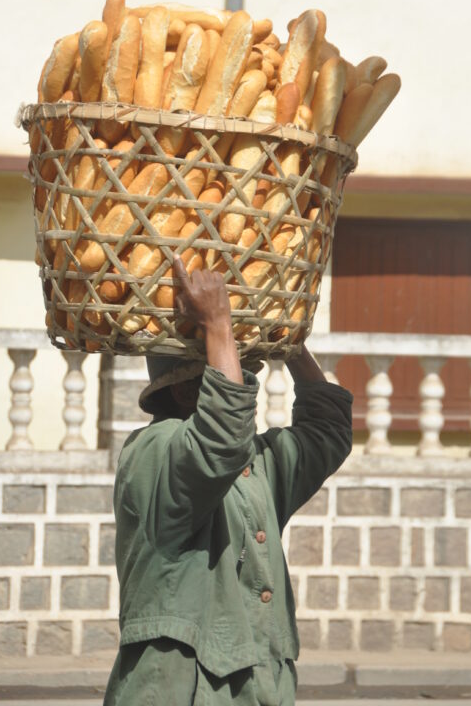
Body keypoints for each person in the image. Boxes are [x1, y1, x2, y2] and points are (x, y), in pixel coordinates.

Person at [104, 256, 353, 706]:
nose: (243, 389)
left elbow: (327, 432)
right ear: (183, 392)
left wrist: (289, 341)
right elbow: (219, 437)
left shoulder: (255, 464)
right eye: (231, 374)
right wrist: (218, 326)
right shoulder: (152, 451)